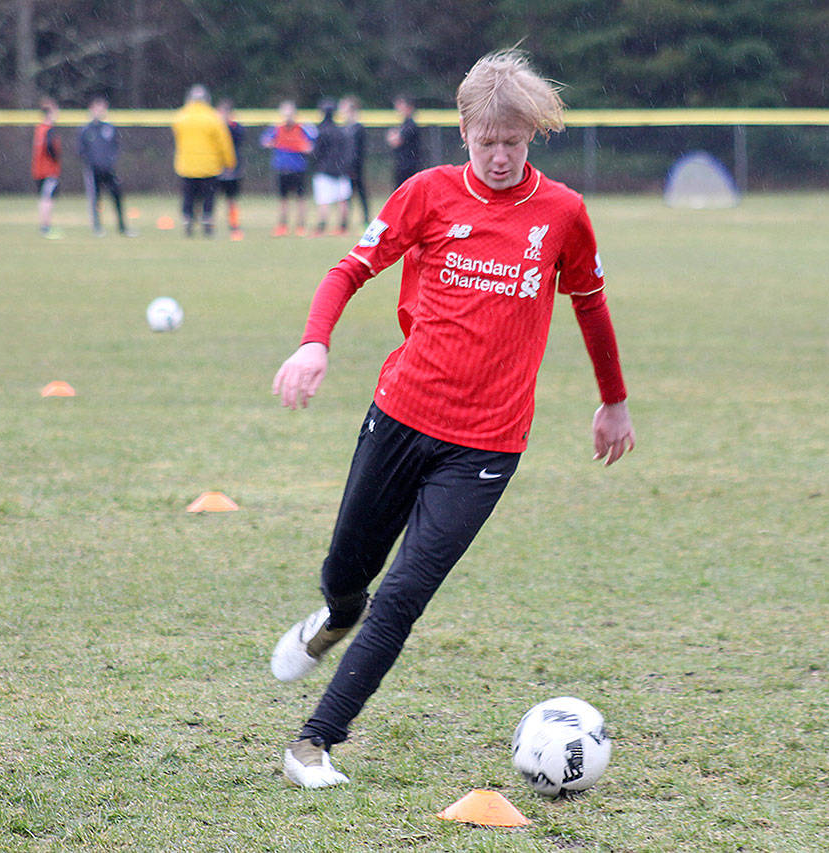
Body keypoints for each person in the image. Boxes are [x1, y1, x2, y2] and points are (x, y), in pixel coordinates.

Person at [269, 49, 636, 789]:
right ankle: (336, 614)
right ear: (464, 131)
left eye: (514, 142)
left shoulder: (562, 213)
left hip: (487, 445)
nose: (500, 157)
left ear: (531, 136)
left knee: (405, 593)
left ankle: (313, 742)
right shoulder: (427, 194)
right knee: (349, 572)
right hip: (400, 413)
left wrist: (614, 398)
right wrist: (315, 343)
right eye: (486, 142)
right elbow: (348, 269)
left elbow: (589, 304)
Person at [171, 84, 235, 237]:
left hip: (187, 166)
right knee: (209, 197)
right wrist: (229, 162)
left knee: (188, 196)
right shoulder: (213, 117)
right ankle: (207, 220)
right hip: (209, 166)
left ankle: (187, 219)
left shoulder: (180, 117)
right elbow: (224, 143)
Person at [78, 96, 133, 237]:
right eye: (97, 108)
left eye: (102, 108)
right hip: (93, 170)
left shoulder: (109, 128)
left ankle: (122, 227)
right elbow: (81, 150)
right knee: (96, 199)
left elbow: (115, 147)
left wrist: (110, 161)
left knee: (117, 196)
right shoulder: (86, 129)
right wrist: (91, 163)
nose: (99, 111)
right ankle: (97, 227)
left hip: (109, 170)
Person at [259, 101, 316, 236]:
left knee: (300, 200)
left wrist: (303, 146)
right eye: (285, 113)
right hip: (282, 169)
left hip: (298, 169)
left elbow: (312, 143)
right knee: (283, 200)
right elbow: (264, 141)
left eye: (290, 113)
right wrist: (274, 143)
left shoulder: (303, 128)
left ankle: (300, 227)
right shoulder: (276, 128)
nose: (288, 116)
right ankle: (282, 226)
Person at [310, 99, 353, 236]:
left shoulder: (320, 130)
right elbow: (347, 151)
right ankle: (343, 226)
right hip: (341, 169)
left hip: (324, 170)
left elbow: (316, 152)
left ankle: (322, 226)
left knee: (324, 200)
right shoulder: (341, 131)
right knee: (342, 199)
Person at [31, 98, 62, 239]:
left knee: (44, 198)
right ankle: (45, 227)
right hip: (48, 170)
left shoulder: (40, 129)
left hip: (39, 170)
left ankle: (45, 226)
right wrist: (56, 158)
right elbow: (50, 148)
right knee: (47, 199)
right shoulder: (49, 130)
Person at [216, 98, 246, 240]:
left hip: (231, 169)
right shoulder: (213, 127)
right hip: (214, 168)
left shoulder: (235, 128)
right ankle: (209, 224)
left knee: (231, 200)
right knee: (209, 198)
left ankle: (234, 226)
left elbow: (239, 139)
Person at [338, 96, 369, 228]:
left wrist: (353, 167)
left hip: (355, 167)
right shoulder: (345, 128)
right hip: (345, 167)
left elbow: (358, 151)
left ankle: (365, 220)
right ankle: (344, 222)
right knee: (345, 195)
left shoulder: (358, 128)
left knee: (359, 194)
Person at [385, 94, 422, 188]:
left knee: (405, 190)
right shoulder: (404, 124)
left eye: (401, 105)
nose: (398, 109)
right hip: (402, 164)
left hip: (408, 165)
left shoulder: (410, 125)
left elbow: (395, 141)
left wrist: (393, 135)